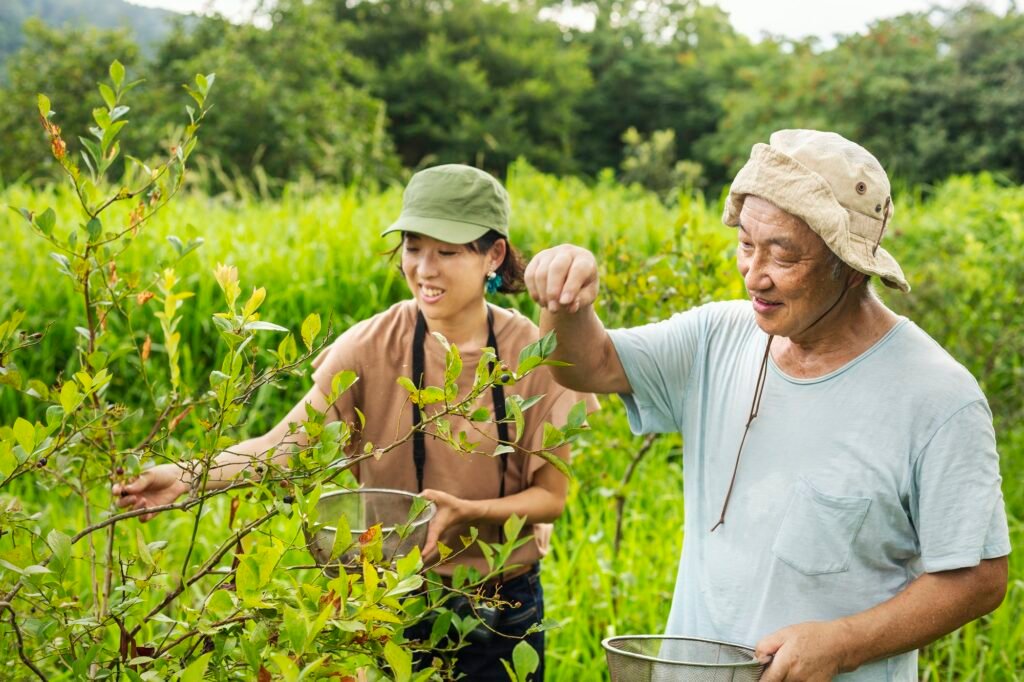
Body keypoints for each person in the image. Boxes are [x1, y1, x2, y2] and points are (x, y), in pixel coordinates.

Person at [524, 130, 1010, 680]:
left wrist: (845, 643)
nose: (754, 275)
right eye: (747, 244)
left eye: (783, 255)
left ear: (850, 266)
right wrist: (564, 301)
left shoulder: (937, 397)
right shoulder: (719, 337)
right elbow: (588, 365)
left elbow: (979, 577)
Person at [113, 164, 597, 680]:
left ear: (493, 255)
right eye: (413, 248)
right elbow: (283, 446)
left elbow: (551, 498)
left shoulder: (535, 354)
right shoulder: (371, 343)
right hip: (386, 600)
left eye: (448, 252)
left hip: (501, 604)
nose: (425, 270)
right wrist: (184, 479)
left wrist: (468, 511)